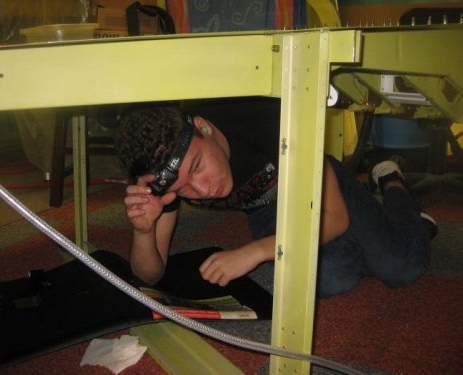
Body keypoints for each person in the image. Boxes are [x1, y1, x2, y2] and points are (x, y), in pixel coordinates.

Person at [114, 97, 437, 298]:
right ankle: (377, 230)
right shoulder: (163, 175)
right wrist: (143, 231)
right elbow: (148, 275)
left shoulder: (267, 117)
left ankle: (391, 181)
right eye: (181, 188)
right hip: (267, 209)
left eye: (198, 166)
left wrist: (255, 251)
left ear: (203, 127)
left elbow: (335, 219)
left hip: (314, 183)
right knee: (330, 278)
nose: (202, 190)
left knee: (401, 265)